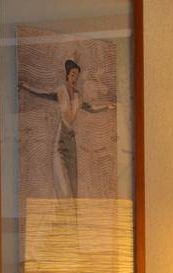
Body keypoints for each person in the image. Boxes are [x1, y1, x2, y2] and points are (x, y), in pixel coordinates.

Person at [19, 59, 115, 198]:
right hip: (60, 143)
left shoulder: (77, 96)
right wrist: (26, 87)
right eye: (73, 75)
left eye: (77, 75)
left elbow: (90, 108)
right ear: (67, 75)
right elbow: (42, 93)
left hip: (71, 144)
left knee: (73, 187)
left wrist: (106, 106)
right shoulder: (60, 91)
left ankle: (72, 212)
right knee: (63, 187)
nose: (75, 78)